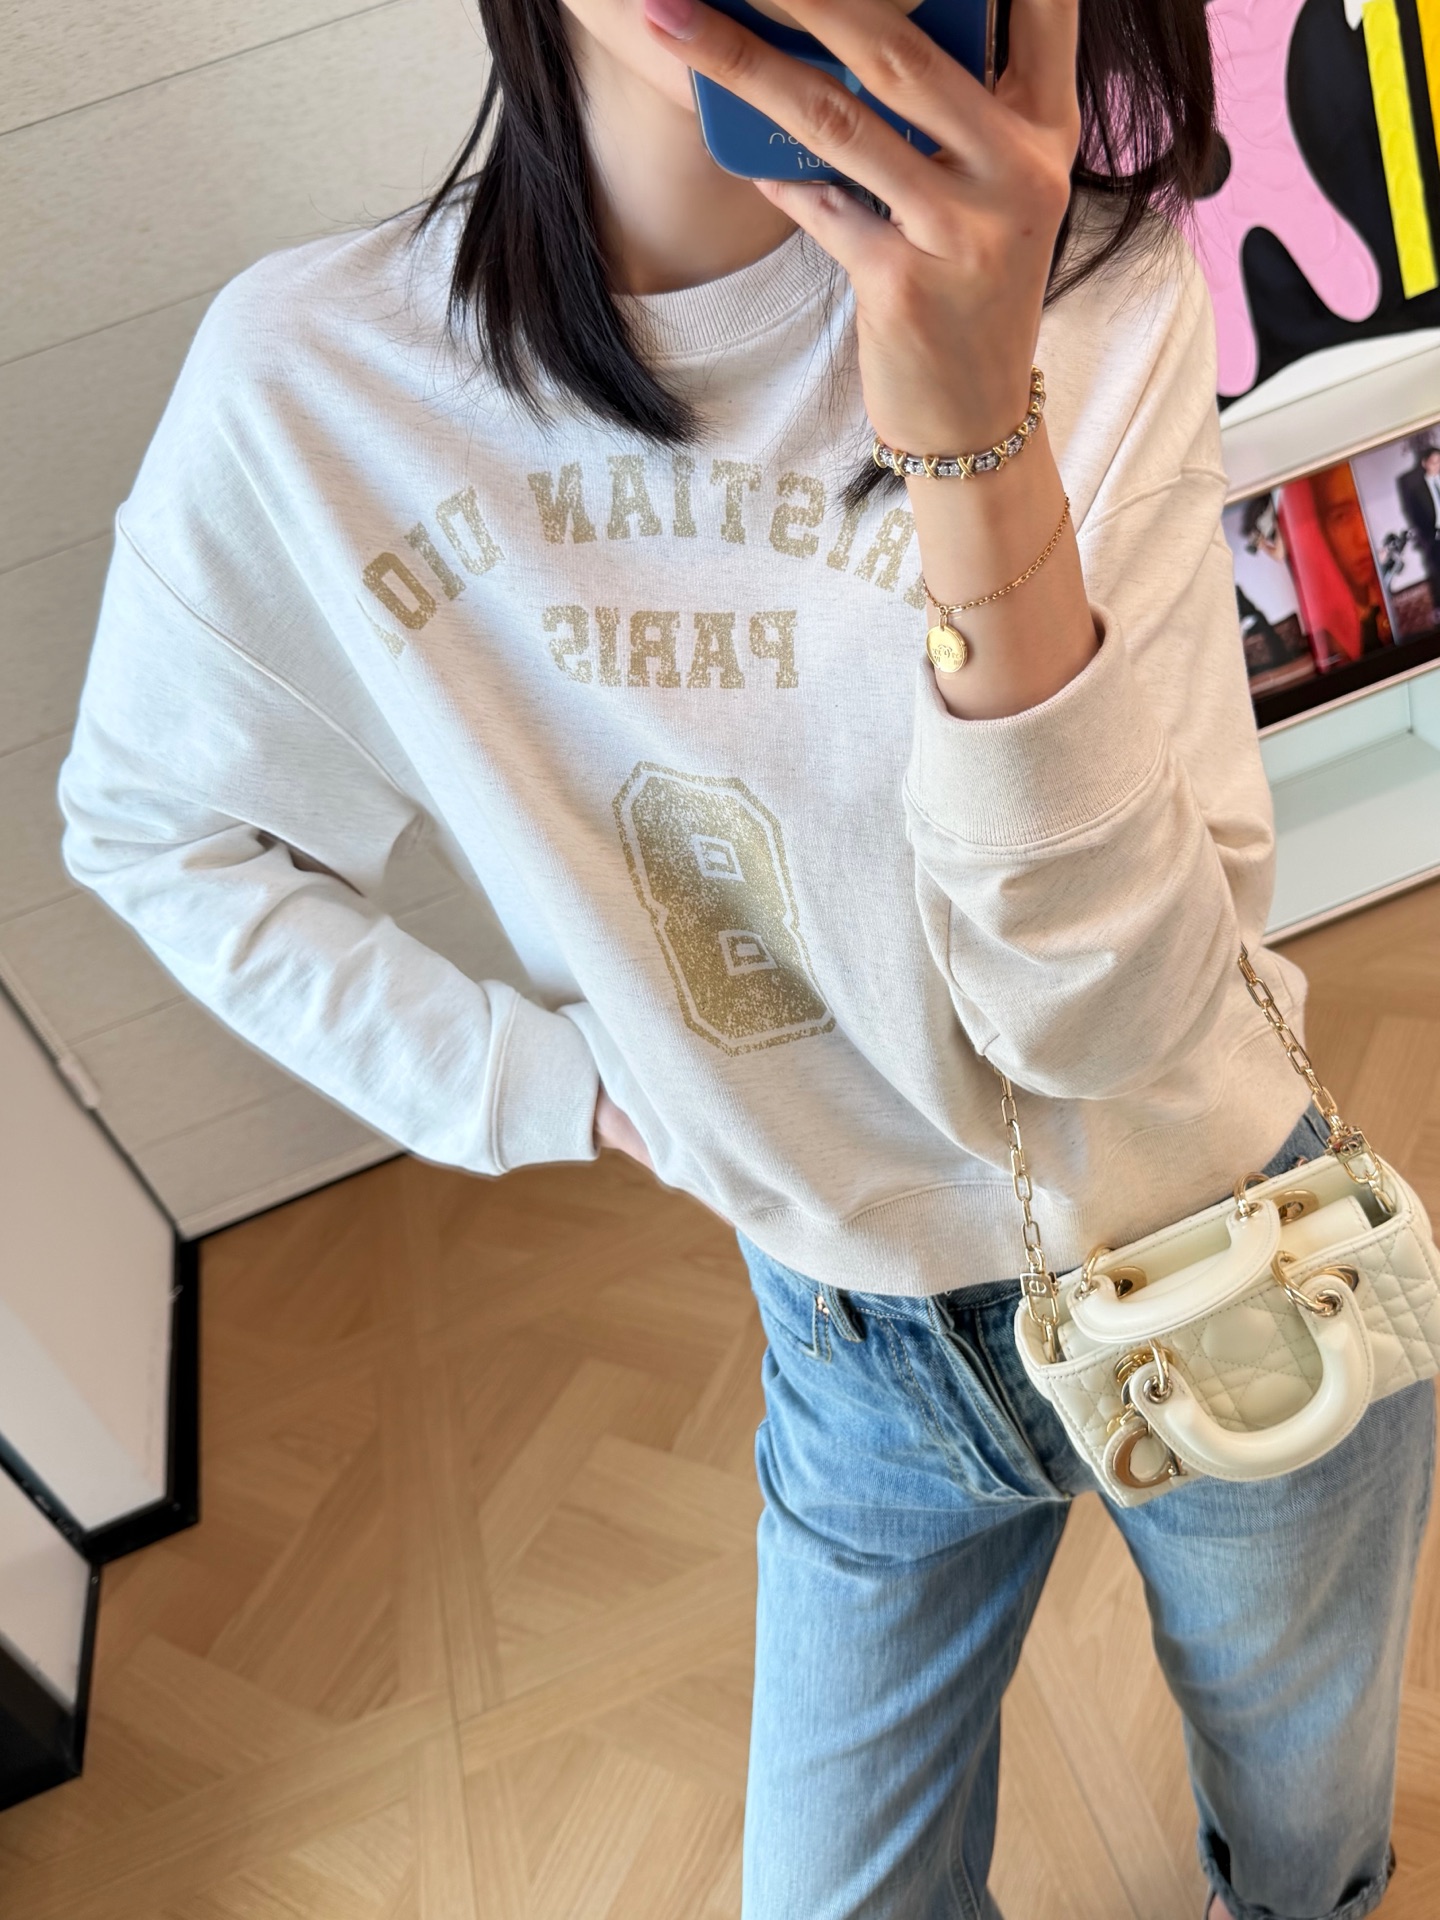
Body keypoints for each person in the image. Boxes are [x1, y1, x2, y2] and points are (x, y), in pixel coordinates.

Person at [56, 2, 1433, 1915]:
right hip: (854, 1346)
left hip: (1229, 1256)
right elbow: (158, 825)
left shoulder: (1093, 291)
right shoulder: (312, 389)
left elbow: (1109, 1029)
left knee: (1309, 1853)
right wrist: (547, 1085)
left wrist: (976, 441)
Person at [1397, 439, 1440, 617]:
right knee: (1437, 572)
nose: (1438, 466)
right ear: (1425, 463)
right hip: (1434, 536)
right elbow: (1413, 513)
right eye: (1434, 462)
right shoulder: (1417, 488)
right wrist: (1425, 538)